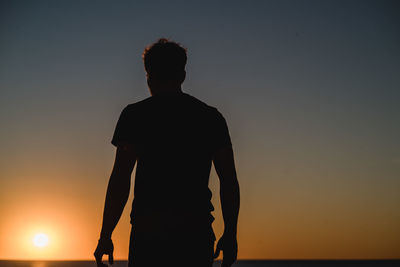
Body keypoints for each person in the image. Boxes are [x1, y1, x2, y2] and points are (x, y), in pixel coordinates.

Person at [94, 38, 240, 267]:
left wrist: (105, 235)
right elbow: (229, 181)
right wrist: (230, 235)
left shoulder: (135, 116)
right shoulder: (210, 117)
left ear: (148, 75)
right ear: (182, 75)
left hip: (148, 236)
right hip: (195, 235)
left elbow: (120, 179)